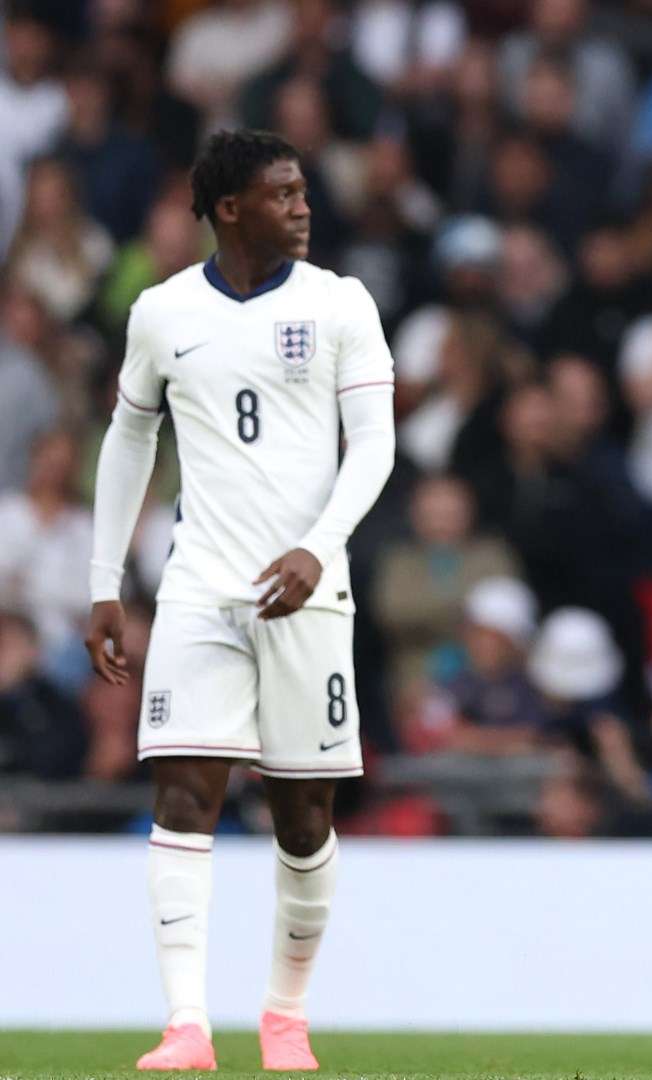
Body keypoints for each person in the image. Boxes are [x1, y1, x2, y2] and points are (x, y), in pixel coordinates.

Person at [84, 130, 396, 1072]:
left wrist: (317, 546)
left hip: (311, 597)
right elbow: (128, 441)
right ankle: (185, 1026)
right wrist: (104, 583)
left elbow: (374, 444)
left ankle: (284, 1018)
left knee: (304, 821)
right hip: (199, 592)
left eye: (303, 191)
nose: (305, 205)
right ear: (230, 208)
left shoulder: (341, 302)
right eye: (285, 192)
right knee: (182, 796)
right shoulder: (163, 313)